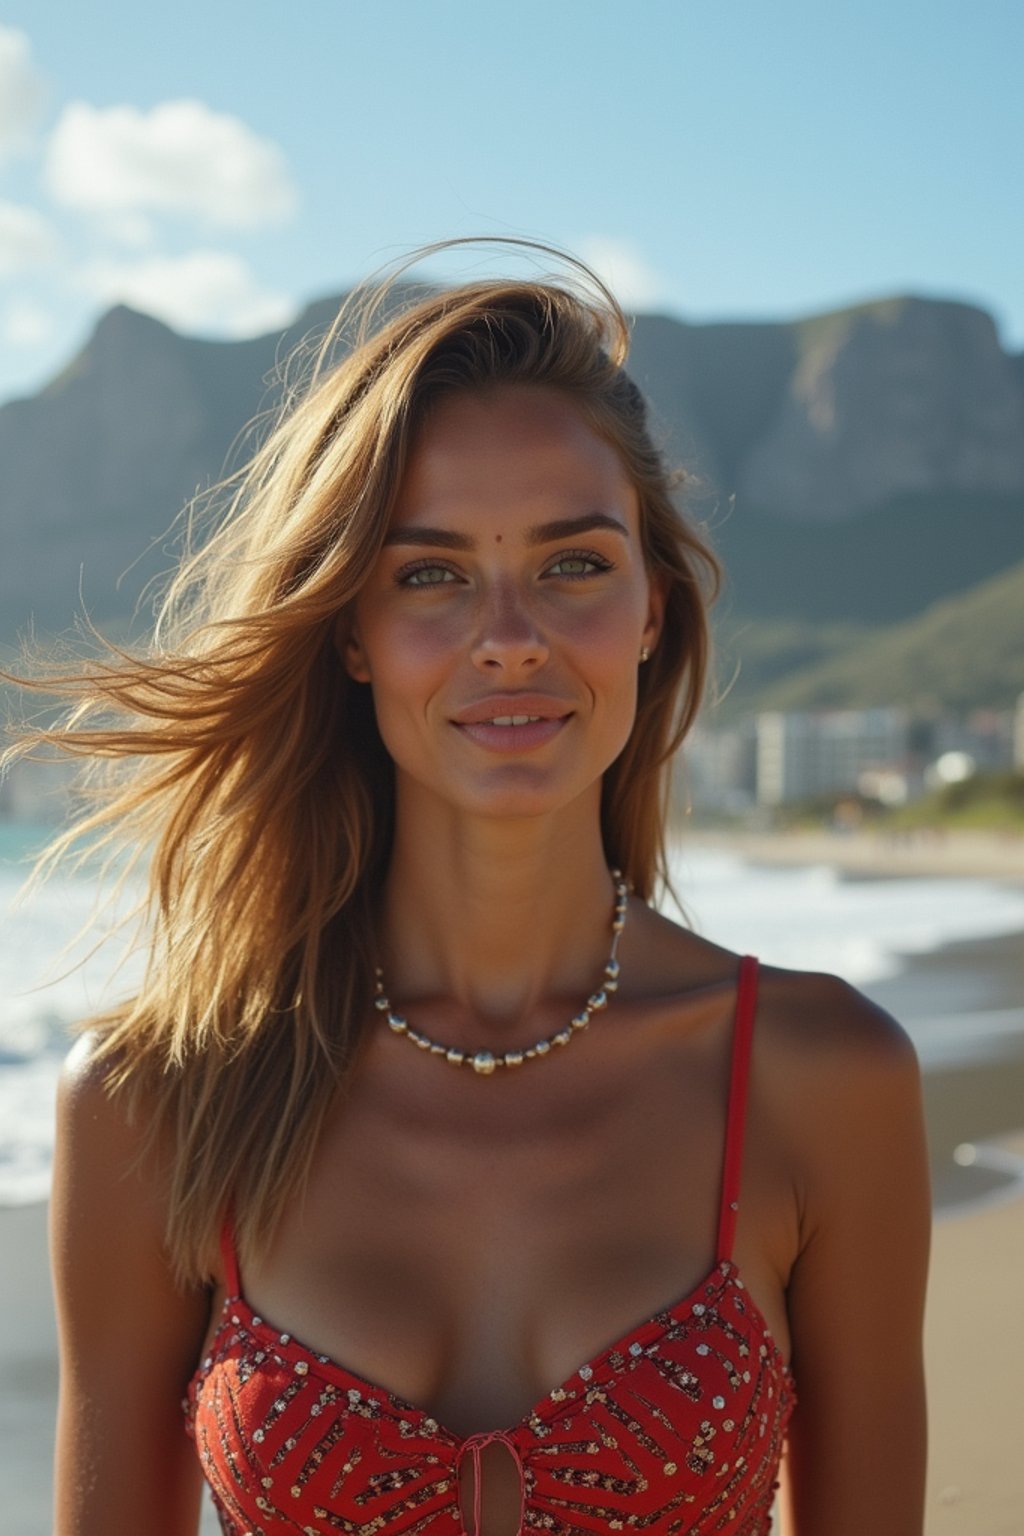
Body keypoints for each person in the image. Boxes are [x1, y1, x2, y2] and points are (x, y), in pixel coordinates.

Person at [22, 243, 930, 1535]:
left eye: (573, 565)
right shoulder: (158, 1105)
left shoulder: (823, 1080)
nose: (510, 634)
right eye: (431, 574)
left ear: (654, 610)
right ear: (350, 629)